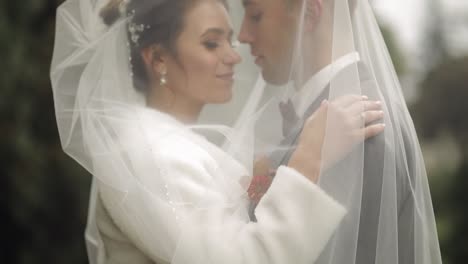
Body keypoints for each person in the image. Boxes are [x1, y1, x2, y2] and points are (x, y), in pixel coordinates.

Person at [50, 0, 385, 263]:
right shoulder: (146, 151)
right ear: (158, 59)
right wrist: (308, 159)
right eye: (212, 43)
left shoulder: (174, 144)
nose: (234, 56)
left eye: (229, 40)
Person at [237, 0, 442, 263]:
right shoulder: (337, 114)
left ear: (311, 13)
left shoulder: (358, 126)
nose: (243, 35)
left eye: (255, 16)